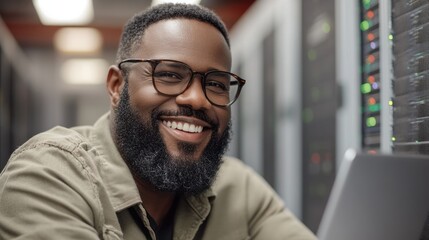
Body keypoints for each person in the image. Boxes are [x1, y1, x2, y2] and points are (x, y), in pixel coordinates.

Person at [0, 3, 316, 240]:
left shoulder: (239, 188)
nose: (197, 99)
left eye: (217, 84)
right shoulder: (47, 175)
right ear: (116, 86)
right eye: (168, 74)